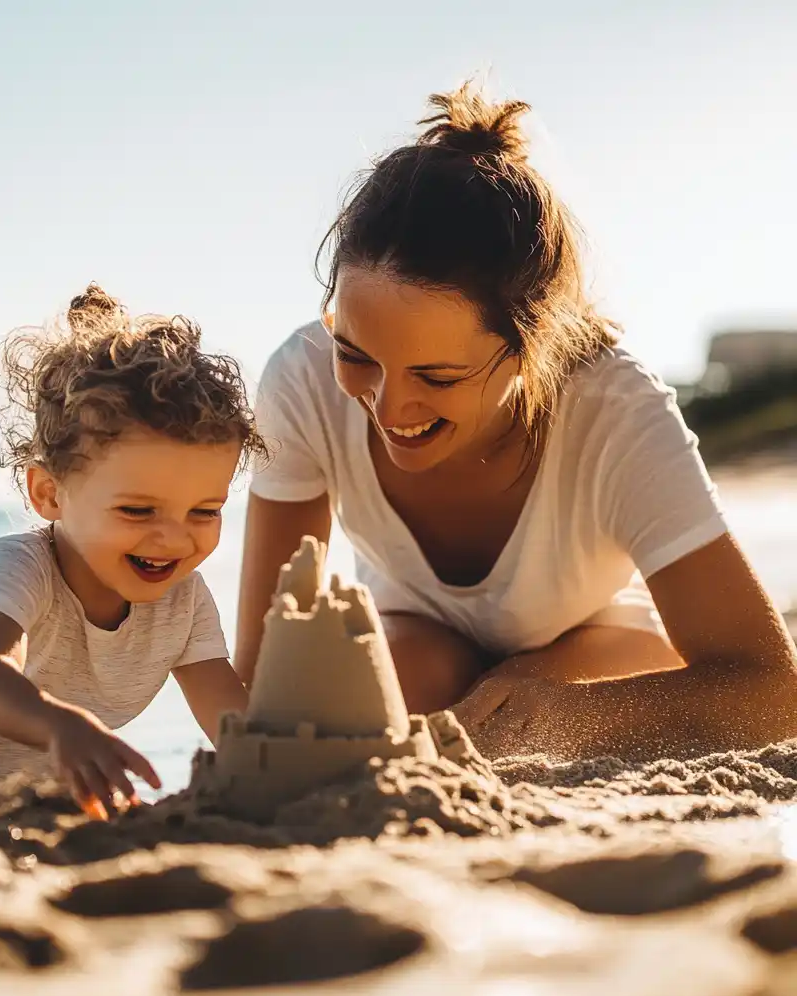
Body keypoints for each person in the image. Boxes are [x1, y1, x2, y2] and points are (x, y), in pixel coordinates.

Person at [235, 83, 797, 763]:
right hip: (416, 636)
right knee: (377, 706)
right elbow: (261, 683)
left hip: (598, 637)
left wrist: (573, 713)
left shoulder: (617, 414)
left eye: (437, 377)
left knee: (519, 700)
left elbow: (774, 692)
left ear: (533, 348)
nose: (387, 407)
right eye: (356, 356)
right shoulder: (302, 380)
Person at [0, 284, 258, 828]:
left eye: (204, 511)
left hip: (45, 801)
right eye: (139, 511)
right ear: (49, 494)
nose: (173, 539)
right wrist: (59, 724)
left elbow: (231, 722)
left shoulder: (184, 603)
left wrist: (282, 768)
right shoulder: (18, 568)